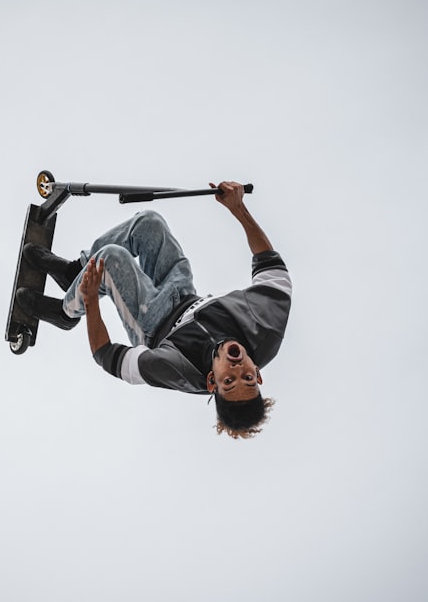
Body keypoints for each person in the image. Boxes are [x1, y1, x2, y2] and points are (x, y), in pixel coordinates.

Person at [15, 181, 292, 438]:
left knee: (112, 259)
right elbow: (271, 267)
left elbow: (106, 355)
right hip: (182, 293)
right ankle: (74, 272)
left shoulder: (175, 371)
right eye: (246, 377)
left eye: (229, 380)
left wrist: (90, 301)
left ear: (211, 381)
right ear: (257, 374)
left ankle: (66, 313)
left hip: (153, 324)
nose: (236, 366)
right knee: (150, 223)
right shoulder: (265, 330)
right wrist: (238, 208)